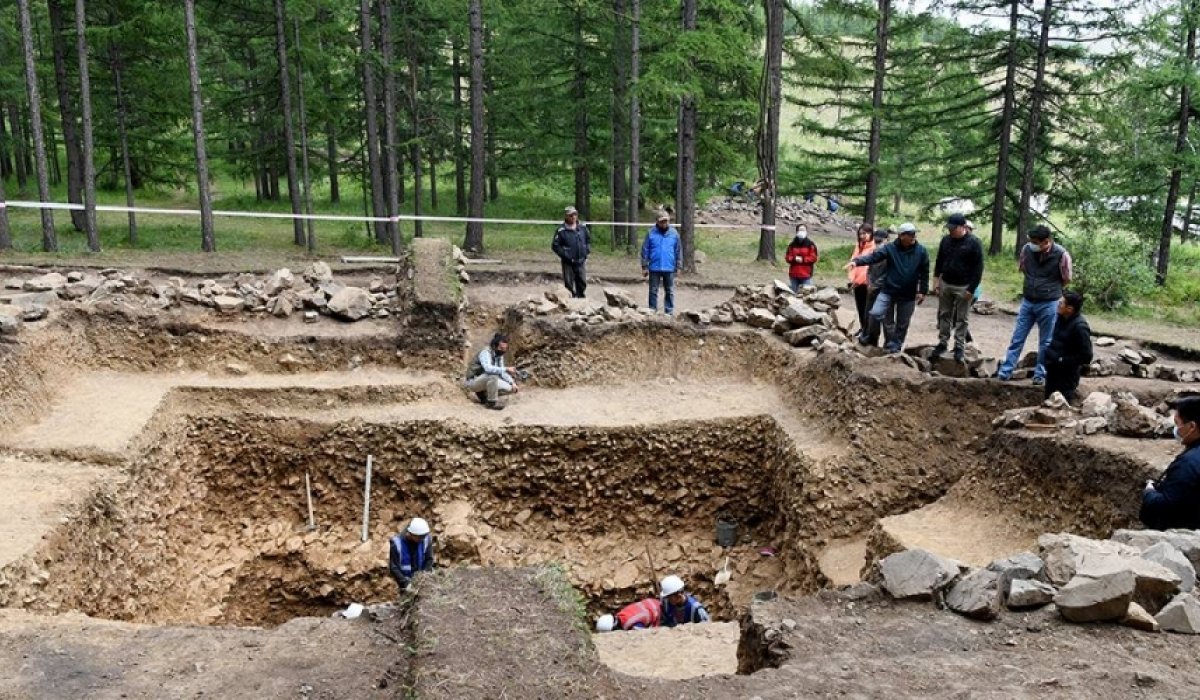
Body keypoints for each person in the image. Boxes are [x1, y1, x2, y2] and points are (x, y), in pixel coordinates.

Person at [995, 225, 1073, 385]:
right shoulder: (1027, 250)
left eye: (1036, 242)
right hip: (1028, 300)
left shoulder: (1061, 254)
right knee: (1017, 338)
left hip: (1050, 303)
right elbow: (1023, 268)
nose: (1032, 244)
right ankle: (1005, 371)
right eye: (1031, 241)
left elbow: (1066, 278)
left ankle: (1040, 375)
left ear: (1046, 242)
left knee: (1046, 341)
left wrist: (1050, 289)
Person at [845, 222, 929, 353]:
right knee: (875, 313)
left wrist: (923, 290)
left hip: (908, 294)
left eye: (914, 234)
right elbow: (874, 257)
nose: (914, 237)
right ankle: (874, 338)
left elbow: (925, 271)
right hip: (889, 291)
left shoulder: (921, 251)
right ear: (901, 236)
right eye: (910, 234)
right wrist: (856, 261)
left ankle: (894, 346)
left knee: (903, 323)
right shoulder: (890, 248)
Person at [931, 213, 985, 362]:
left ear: (963, 227)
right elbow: (939, 260)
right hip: (946, 283)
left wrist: (971, 289)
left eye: (953, 228)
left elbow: (978, 268)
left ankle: (959, 346)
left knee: (962, 318)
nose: (951, 231)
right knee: (944, 314)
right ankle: (942, 342)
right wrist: (936, 281)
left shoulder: (974, 243)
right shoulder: (946, 240)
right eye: (949, 228)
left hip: (964, 286)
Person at [1141, 397, 1200, 530]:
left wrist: (1149, 492)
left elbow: (1163, 505)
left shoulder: (1187, 464)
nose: (1175, 428)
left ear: (1191, 426)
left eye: (1177, 423)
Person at [1041, 292, 1092, 403]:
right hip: (1052, 371)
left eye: (1061, 303)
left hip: (1067, 376)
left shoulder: (1080, 327)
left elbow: (1086, 356)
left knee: (1061, 407)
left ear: (1069, 309)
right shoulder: (1060, 318)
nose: (1058, 305)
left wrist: (1062, 360)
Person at [641, 211, 682, 315]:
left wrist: (679, 267)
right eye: (662, 221)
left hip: (669, 267)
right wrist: (644, 266)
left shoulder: (674, 234)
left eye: (666, 221)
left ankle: (669, 312)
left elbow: (678, 251)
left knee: (669, 291)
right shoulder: (650, 233)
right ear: (657, 222)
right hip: (654, 267)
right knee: (653, 291)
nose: (664, 223)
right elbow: (645, 250)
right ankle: (652, 310)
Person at [464, 333, 519, 410]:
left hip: (484, 380)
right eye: (501, 348)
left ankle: (484, 395)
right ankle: (491, 403)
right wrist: (506, 369)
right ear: (494, 346)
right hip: (472, 382)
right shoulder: (485, 352)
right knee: (492, 375)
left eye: (504, 348)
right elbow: (488, 369)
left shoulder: (499, 356)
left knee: (510, 389)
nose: (503, 350)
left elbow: (502, 372)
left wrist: (512, 382)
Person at [857, 227, 892, 347]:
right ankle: (870, 338)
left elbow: (888, 273)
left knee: (887, 319)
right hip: (871, 289)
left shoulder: (890, 255)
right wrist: (869, 283)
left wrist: (876, 285)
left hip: (885, 290)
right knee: (869, 315)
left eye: (880, 242)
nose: (878, 244)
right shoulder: (874, 253)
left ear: (887, 240)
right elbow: (869, 270)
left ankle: (889, 343)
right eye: (876, 242)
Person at [551, 205, 591, 299]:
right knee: (569, 283)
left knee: (582, 281)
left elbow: (588, 240)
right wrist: (565, 254)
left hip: (581, 260)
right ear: (566, 216)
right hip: (568, 262)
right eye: (570, 215)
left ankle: (581, 298)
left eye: (575, 214)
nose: (573, 217)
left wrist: (586, 250)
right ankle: (570, 300)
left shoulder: (583, 227)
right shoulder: (561, 230)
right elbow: (555, 246)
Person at [388, 517, 434, 592]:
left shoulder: (426, 539)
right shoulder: (397, 544)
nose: (422, 539)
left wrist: (424, 577)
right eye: (420, 537)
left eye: (424, 536)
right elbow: (394, 567)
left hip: (422, 584)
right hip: (405, 585)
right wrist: (406, 584)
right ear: (411, 534)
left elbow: (429, 559)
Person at [848, 223, 876, 332]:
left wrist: (860, 281)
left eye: (865, 233)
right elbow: (853, 262)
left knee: (867, 308)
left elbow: (868, 268)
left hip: (867, 283)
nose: (862, 236)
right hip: (857, 283)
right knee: (860, 307)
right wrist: (852, 279)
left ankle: (868, 330)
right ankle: (863, 327)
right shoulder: (859, 246)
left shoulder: (873, 248)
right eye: (860, 234)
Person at [595, 597, 663, 632]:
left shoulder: (631, 623)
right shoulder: (622, 615)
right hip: (652, 602)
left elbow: (642, 634)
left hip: (659, 612)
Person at [784, 225, 820, 292]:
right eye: (800, 230)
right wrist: (794, 259)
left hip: (806, 275)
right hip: (794, 274)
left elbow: (814, 258)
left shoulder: (811, 244)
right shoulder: (792, 245)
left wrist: (803, 259)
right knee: (794, 294)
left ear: (806, 231)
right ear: (796, 231)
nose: (802, 232)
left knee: (807, 295)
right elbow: (787, 257)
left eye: (803, 230)